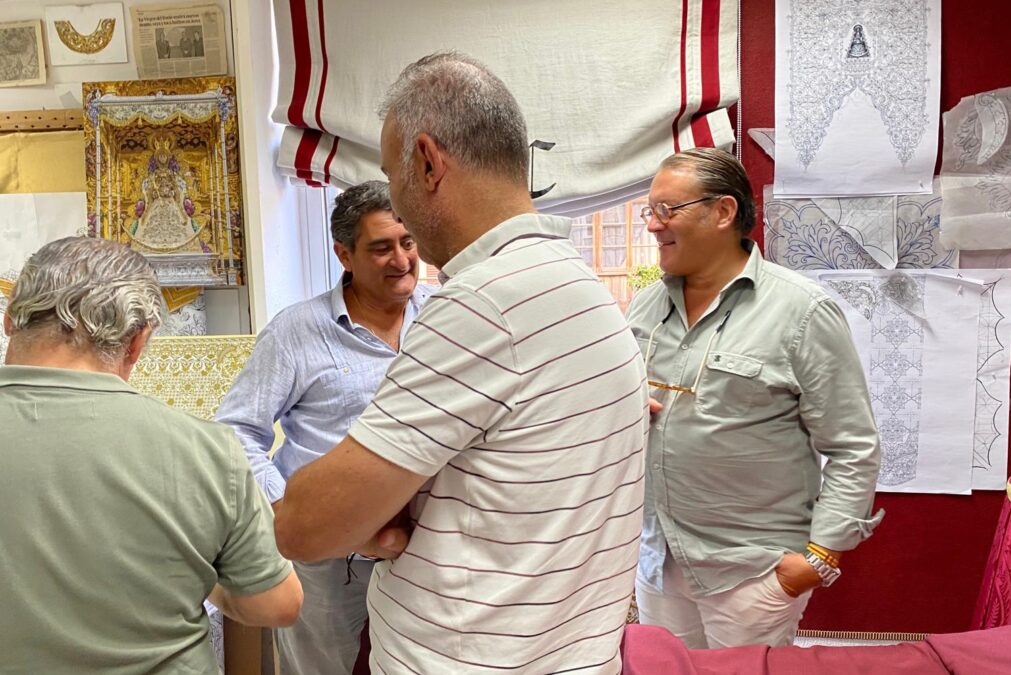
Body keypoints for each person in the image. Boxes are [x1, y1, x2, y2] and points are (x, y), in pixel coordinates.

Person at [274, 52, 647, 674]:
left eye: (392, 175)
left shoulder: (480, 305)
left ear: (427, 162)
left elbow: (306, 527)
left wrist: (361, 515)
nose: (398, 203)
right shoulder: (582, 287)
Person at [0, 237, 302, 673]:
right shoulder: (208, 450)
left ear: (10, 319)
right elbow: (276, 604)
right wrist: (206, 580)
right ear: (137, 341)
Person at [625, 148, 883, 649]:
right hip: (658, 561)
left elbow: (854, 447)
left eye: (667, 210)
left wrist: (819, 558)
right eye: (649, 211)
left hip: (752, 574)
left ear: (723, 211)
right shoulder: (644, 307)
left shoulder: (803, 310)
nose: (653, 226)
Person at [216, 180, 432, 675]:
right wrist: (289, 510)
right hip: (330, 563)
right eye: (381, 247)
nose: (402, 259)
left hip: (424, 548)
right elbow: (234, 431)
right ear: (344, 254)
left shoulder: (443, 317)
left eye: (408, 242)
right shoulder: (297, 330)